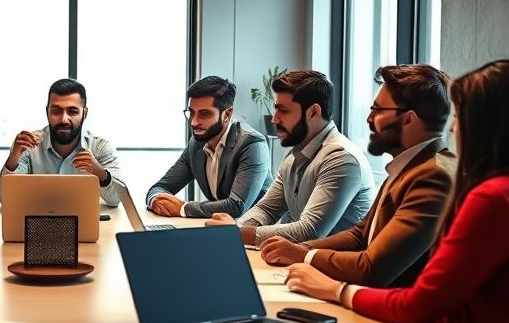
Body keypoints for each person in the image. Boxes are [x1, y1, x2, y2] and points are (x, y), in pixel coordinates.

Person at [286, 60, 509, 323]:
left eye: (461, 117)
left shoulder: (497, 198)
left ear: (487, 125)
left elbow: (417, 308)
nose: (453, 128)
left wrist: (334, 289)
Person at [260, 65, 455, 287]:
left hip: (393, 315)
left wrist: (304, 256)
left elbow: (372, 269)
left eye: (377, 110)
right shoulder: (411, 165)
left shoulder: (433, 175)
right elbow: (361, 234)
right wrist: (304, 248)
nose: (369, 119)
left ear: (409, 119)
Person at [206, 70, 374, 246]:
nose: (274, 119)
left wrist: (235, 233)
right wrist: (237, 227)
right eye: (275, 109)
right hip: (296, 262)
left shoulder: (341, 159)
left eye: (283, 111)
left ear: (314, 112)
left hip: (330, 270)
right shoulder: (294, 153)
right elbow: (267, 209)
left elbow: (310, 230)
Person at [146, 76, 272, 218]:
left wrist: (183, 208)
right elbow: (160, 187)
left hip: (254, 232)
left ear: (227, 114)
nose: (194, 122)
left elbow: (236, 206)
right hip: (218, 227)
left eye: (204, 114)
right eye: (191, 112)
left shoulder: (252, 144)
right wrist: (156, 199)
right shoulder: (196, 144)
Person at [0, 78, 123, 207]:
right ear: (47, 112)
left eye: (72, 111)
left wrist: (101, 174)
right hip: (36, 225)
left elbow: (116, 200)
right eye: (56, 111)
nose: (64, 119)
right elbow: (6, 199)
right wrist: (13, 158)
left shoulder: (100, 148)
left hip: (85, 225)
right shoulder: (28, 145)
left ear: (84, 113)